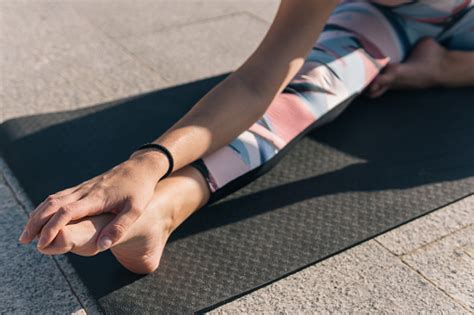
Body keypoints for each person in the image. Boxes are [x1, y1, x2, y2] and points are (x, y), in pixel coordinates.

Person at [19, 0, 474, 274]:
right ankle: (166, 208)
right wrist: (147, 165)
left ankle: (440, 67)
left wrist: (445, 71)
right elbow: (259, 82)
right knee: (308, 89)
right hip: (384, 19)